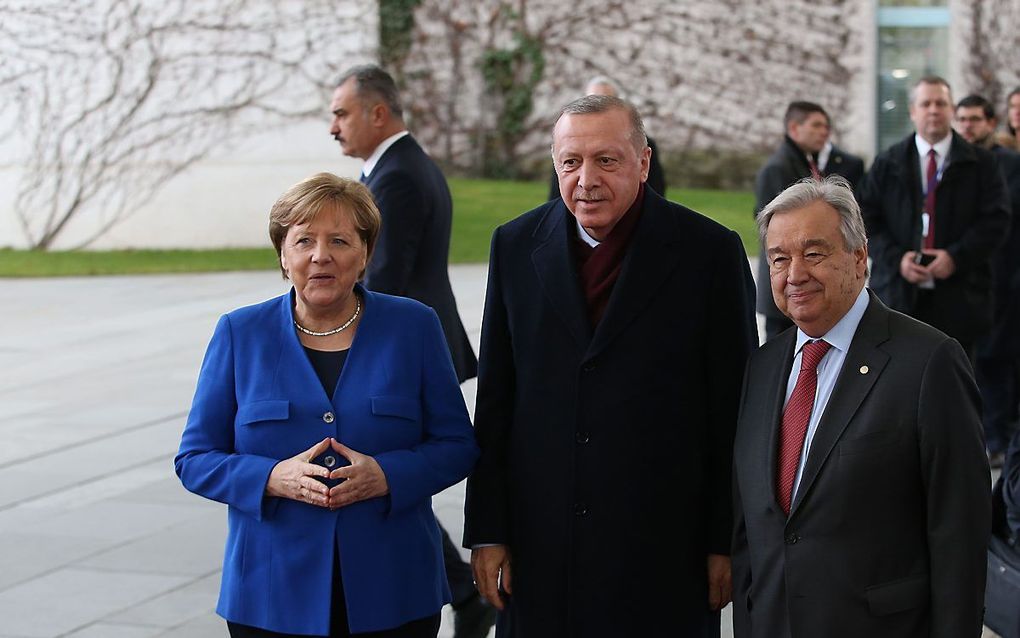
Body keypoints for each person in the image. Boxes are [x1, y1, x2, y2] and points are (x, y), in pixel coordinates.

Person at [465, 94, 757, 637]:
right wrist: (488, 530)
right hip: (540, 550)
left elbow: (733, 410)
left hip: (665, 552)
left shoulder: (710, 253)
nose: (585, 179)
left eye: (607, 160)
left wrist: (725, 540)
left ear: (643, 163)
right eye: (570, 162)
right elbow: (497, 401)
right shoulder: (514, 247)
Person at [175, 173, 479, 637]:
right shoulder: (240, 333)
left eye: (340, 240)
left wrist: (387, 475)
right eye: (303, 241)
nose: (321, 256)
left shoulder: (413, 327)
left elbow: (457, 444)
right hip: (270, 592)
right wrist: (272, 478)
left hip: (394, 589)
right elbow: (195, 459)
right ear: (283, 254)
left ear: (365, 254)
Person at [732, 175, 991, 638]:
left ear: (858, 257)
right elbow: (756, 528)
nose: (795, 274)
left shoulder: (929, 362)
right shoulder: (763, 366)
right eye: (779, 259)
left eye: (814, 254)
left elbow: (960, 540)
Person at [329, 65, 492, 638]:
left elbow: (383, 276)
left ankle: (462, 586)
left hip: (397, 353)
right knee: (389, 473)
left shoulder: (397, 176)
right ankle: (462, 588)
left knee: (386, 473)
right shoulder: (399, 166)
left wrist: (352, 355)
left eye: (341, 113)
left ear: (378, 112)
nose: (333, 127)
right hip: (412, 345)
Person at [859, 76, 1009, 359]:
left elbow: (996, 220)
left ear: (952, 110)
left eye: (940, 103)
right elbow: (865, 220)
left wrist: (956, 257)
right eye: (925, 103)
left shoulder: (982, 163)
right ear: (913, 111)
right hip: (898, 298)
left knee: (954, 391)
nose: (933, 110)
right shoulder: (887, 162)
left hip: (960, 300)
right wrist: (897, 258)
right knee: (898, 392)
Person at [754, 101, 865, 340]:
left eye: (826, 126)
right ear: (794, 129)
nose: (824, 131)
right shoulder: (778, 168)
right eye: (816, 125)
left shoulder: (810, 162)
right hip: (786, 304)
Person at [954, 94, 1020, 468]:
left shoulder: (1008, 164)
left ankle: (998, 441)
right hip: (966, 281)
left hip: (1005, 279)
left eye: (975, 119)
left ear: (991, 122)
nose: (968, 125)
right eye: (962, 119)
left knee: (996, 362)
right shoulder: (954, 164)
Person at [547, 77, 666, 200]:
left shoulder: (643, 143)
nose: (586, 182)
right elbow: (556, 198)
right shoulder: (567, 143)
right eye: (591, 104)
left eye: (605, 160)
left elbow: (657, 191)